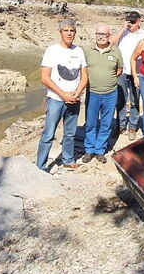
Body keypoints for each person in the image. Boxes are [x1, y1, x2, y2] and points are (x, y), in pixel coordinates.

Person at [36, 18, 87, 171]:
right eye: (66, 30)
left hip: (74, 98)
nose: (69, 33)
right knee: (48, 134)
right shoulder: (52, 50)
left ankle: (68, 159)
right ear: (60, 32)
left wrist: (77, 92)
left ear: (75, 33)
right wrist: (63, 94)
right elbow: (44, 77)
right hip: (56, 99)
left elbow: (84, 75)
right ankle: (40, 166)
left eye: (72, 30)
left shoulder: (79, 51)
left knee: (70, 133)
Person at [81, 23, 123, 164]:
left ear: (109, 36)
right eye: (98, 34)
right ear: (95, 35)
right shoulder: (88, 51)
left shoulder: (116, 51)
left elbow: (120, 69)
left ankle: (100, 150)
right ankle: (89, 150)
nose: (101, 37)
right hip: (92, 93)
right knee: (91, 123)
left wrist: (108, 79)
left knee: (106, 123)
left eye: (104, 34)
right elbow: (82, 71)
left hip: (110, 93)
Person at [111, 11, 144, 140]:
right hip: (121, 71)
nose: (130, 23)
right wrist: (123, 28)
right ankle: (120, 124)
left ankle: (132, 126)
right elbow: (110, 42)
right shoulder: (122, 33)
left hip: (136, 72)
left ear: (139, 21)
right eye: (128, 21)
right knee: (120, 100)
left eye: (133, 21)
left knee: (135, 100)